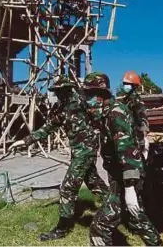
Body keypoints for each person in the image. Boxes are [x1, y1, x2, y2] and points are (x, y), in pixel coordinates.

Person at [10, 76, 109, 241]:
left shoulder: (83, 102)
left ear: (69, 89)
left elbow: (101, 114)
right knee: (94, 183)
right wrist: (26, 141)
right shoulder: (62, 109)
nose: (59, 94)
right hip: (78, 152)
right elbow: (48, 128)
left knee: (67, 188)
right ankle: (120, 208)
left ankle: (62, 228)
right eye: (57, 91)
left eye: (61, 90)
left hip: (86, 151)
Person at [83, 72, 162, 246]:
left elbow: (127, 150)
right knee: (135, 217)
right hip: (122, 175)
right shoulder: (105, 113)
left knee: (100, 226)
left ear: (100, 95)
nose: (86, 100)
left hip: (127, 176)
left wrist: (130, 188)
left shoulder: (115, 113)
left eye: (89, 95)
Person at [116, 70, 150, 160]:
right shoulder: (126, 100)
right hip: (128, 134)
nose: (125, 86)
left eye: (127, 84)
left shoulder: (136, 101)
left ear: (134, 86)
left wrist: (144, 134)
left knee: (137, 160)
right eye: (124, 83)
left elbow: (143, 117)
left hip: (136, 136)